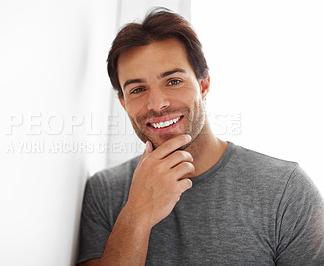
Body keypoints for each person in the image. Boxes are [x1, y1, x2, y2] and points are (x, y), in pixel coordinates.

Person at [77, 8, 324, 265]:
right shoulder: (105, 192)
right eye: (138, 89)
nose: (157, 104)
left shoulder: (285, 190)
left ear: (203, 85)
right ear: (123, 102)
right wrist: (136, 215)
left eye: (173, 81)